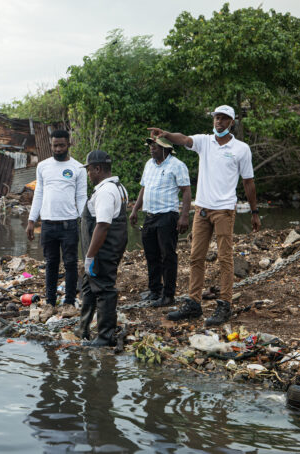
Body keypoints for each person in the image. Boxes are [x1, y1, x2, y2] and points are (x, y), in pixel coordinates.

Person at [148, 105, 261, 326]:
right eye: (216, 118)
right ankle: (193, 303)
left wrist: (254, 212)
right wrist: (166, 135)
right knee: (195, 257)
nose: (219, 122)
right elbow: (184, 139)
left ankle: (224, 304)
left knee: (225, 258)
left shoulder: (241, 149)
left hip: (225, 210)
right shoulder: (205, 142)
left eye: (224, 119)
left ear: (232, 122)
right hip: (202, 209)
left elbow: (248, 181)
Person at [26, 130, 87, 320]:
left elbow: (81, 197)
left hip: (69, 223)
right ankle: (50, 304)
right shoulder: (43, 166)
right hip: (48, 224)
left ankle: (69, 303)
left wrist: (85, 222)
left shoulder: (78, 168)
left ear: (68, 144)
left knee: (70, 263)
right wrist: (31, 220)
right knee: (50, 264)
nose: (58, 149)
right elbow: (39, 194)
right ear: (51, 145)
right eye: (55, 145)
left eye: (61, 145)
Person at [129, 137, 192, 308]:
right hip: (149, 215)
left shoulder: (177, 165)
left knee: (168, 256)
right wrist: (135, 210)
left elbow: (186, 191)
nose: (151, 149)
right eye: (150, 146)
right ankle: (155, 290)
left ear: (166, 149)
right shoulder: (149, 164)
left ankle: (168, 294)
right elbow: (144, 188)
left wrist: (184, 216)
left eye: (155, 146)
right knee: (151, 254)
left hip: (167, 215)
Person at [75, 150, 128, 347]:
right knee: (89, 285)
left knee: (105, 289)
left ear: (97, 169)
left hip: (103, 249)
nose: (88, 174)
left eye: (89, 170)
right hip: (112, 245)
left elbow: (103, 225)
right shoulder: (118, 187)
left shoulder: (106, 192)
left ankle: (105, 337)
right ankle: (83, 327)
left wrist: (90, 255)